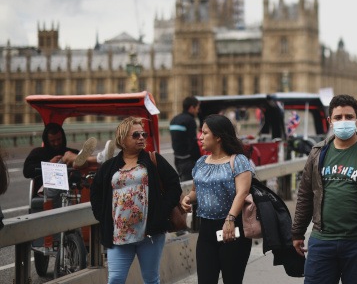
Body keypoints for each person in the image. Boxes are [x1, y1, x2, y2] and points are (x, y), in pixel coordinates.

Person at [292, 94, 357, 284]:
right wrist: (297, 232)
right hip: (322, 240)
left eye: (349, 117)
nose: (344, 121)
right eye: (338, 118)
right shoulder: (317, 153)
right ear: (330, 121)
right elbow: (305, 195)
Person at [90, 117, 181, 284]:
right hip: (119, 234)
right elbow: (95, 191)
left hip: (149, 234)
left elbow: (174, 186)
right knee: (115, 279)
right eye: (136, 135)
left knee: (151, 279)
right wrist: (101, 216)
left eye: (143, 134)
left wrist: (161, 212)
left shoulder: (154, 160)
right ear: (122, 139)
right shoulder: (109, 166)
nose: (141, 138)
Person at [180, 114, 254, 284]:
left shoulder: (239, 161)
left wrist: (230, 219)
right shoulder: (201, 162)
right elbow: (196, 191)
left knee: (232, 280)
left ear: (218, 137)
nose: (200, 137)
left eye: (205, 133)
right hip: (206, 230)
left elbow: (242, 193)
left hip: (232, 229)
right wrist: (187, 199)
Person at [23, 123, 100, 196]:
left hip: (72, 188)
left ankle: (87, 160)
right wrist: (49, 163)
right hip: (49, 190)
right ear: (46, 140)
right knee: (68, 157)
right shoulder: (38, 153)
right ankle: (96, 158)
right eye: (52, 141)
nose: (56, 143)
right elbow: (27, 171)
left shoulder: (72, 151)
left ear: (63, 137)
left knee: (80, 163)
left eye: (59, 139)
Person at [170, 96, 202, 181]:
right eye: (197, 108)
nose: (198, 111)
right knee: (191, 186)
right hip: (188, 161)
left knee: (183, 183)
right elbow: (192, 142)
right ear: (192, 108)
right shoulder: (190, 120)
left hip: (177, 159)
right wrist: (199, 159)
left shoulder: (174, 119)